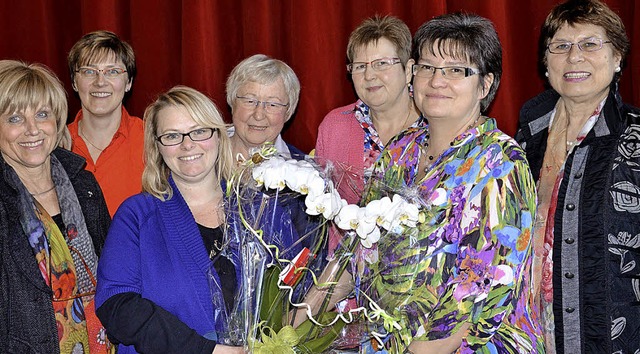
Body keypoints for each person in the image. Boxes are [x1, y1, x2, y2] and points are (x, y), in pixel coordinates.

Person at [362, 13, 543, 353]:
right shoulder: (400, 151)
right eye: (427, 67)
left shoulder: (500, 162)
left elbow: (476, 289)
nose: (436, 81)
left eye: (456, 70)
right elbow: (360, 244)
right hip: (387, 339)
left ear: (485, 85)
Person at [95, 86, 300, 353]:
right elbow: (117, 306)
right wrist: (205, 350)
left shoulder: (261, 210)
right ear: (157, 147)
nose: (187, 144)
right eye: (172, 135)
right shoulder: (137, 215)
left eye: (199, 131)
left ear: (218, 136)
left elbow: (296, 292)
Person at [515, 0, 640, 352]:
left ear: (617, 58)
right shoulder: (524, 140)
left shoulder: (636, 140)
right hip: (529, 335)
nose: (574, 57)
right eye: (561, 46)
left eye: (589, 44)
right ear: (546, 61)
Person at [0, 60, 112, 353]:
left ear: (58, 120)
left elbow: (114, 272)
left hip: (103, 342)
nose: (32, 129)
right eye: (14, 119)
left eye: (42, 114)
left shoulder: (84, 183)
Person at [315, 15, 422, 254]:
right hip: (349, 280)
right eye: (360, 66)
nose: (369, 75)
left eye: (382, 63)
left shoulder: (434, 124)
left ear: (408, 70)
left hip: (423, 278)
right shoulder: (334, 127)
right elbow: (324, 216)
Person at [67, 30, 144, 216]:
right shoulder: (53, 145)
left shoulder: (150, 139)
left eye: (113, 71)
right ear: (74, 82)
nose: (100, 82)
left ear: (129, 83)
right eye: (88, 71)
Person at [226, 54, 304, 163]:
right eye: (250, 101)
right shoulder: (201, 156)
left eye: (272, 104)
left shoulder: (305, 172)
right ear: (232, 102)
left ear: (288, 112)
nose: (258, 115)